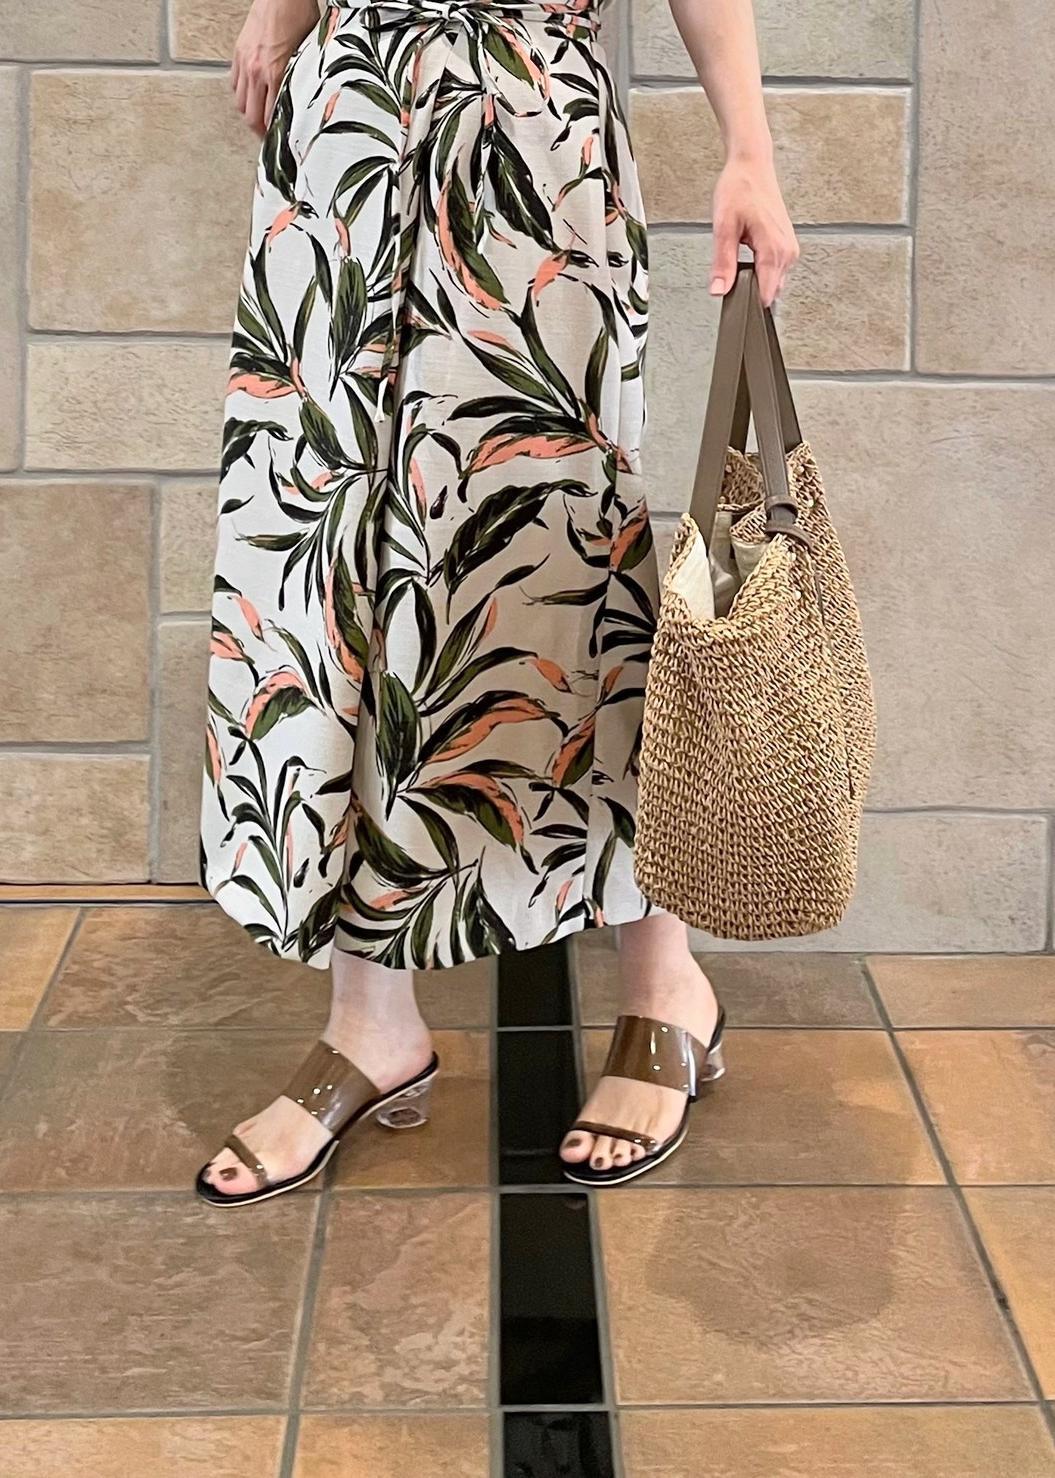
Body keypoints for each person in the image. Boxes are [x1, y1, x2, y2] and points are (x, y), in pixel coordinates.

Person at [197, 0, 797, 1204]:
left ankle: (665, 983)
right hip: (344, 131)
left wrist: (748, 146)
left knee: (559, 562)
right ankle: (371, 1019)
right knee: (329, 563)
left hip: (526, 138)